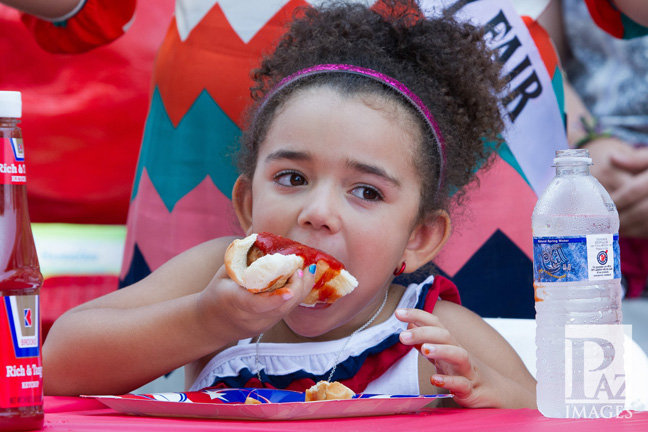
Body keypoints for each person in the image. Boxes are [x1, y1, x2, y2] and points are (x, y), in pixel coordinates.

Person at [42, 0, 537, 409]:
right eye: (292, 178)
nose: (317, 212)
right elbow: (57, 364)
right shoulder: (213, 279)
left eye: (366, 191)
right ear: (247, 202)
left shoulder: (426, 328)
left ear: (419, 236)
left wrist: (489, 393)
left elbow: (541, 407)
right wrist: (206, 321)